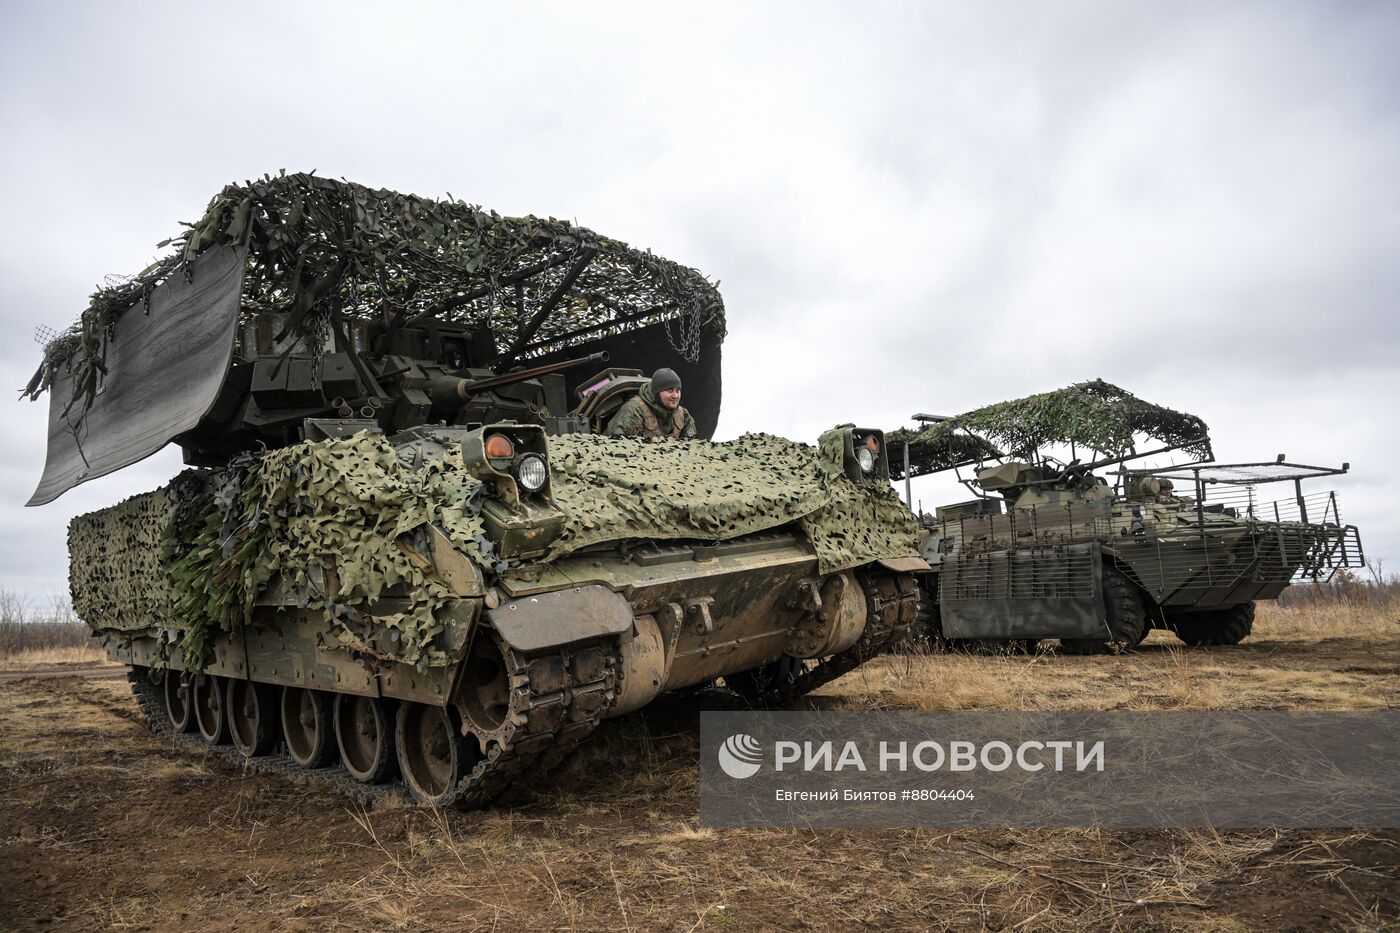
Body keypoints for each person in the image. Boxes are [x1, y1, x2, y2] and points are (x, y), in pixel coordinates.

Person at [605, 368, 698, 439]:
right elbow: (617, 446)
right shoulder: (634, 410)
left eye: (678, 391)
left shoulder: (682, 415)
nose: (675, 396)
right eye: (670, 390)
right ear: (657, 392)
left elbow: (693, 446)